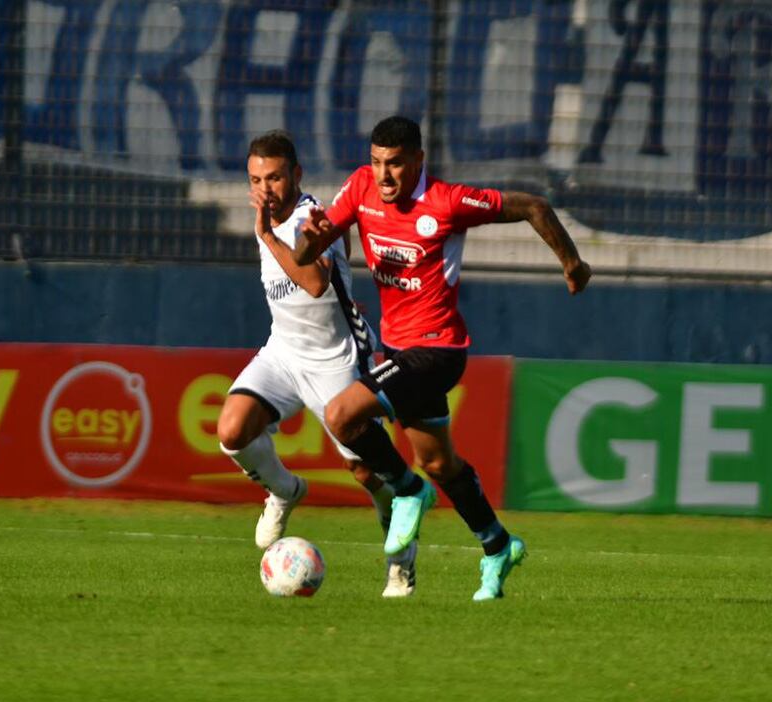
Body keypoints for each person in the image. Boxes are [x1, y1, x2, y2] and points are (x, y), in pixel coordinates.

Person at [295, 116, 592, 601]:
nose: (384, 175)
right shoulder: (360, 188)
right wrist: (311, 235)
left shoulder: (448, 203)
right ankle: (497, 546)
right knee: (439, 463)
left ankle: (406, 491)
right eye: (376, 162)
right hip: (398, 349)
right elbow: (308, 254)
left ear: (417, 161)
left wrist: (572, 262)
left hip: (438, 350)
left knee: (341, 415)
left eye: (394, 164)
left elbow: (534, 205)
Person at [216, 130, 418, 597]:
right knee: (231, 430)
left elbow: (312, 284)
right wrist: (264, 230)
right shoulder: (266, 219)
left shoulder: (316, 218)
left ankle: (401, 562)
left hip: (336, 360)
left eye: (275, 177)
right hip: (283, 354)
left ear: (296, 175)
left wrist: (266, 234)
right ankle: (285, 490)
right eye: (256, 179)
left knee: (371, 474)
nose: (266, 189)